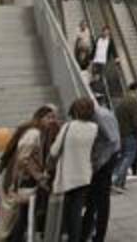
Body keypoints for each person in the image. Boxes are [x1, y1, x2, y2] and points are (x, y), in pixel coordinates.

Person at [0, 105, 57, 241]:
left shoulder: (38, 132)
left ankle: (15, 237)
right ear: (40, 118)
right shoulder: (34, 133)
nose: (52, 121)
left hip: (24, 181)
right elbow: (23, 159)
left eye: (53, 117)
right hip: (24, 182)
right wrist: (38, 176)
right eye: (49, 117)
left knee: (22, 215)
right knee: (21, 216)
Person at [50, 98, 98, 242]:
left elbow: (54, 151)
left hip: (67, 176)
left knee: (65, 210)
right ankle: (75, 238)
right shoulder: (94, 128)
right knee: (76, 211)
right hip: (84, 175)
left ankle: (62, 235)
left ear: (76, 110)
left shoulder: (68, 127)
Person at [80, 101, 120, 241]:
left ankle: (98, 235)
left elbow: (112, 140)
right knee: (93, 198)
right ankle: (86, 231)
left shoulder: (99, 117)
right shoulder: (97, 113)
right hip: (104, 157)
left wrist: (98, 163)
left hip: (107, 159)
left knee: (101, 199)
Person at [112, 83, 137, 191]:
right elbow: (136, 121)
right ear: (136, 90)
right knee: (128, 158)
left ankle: (120, 182)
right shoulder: (133, 102)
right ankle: (116, 181)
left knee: (123, 157)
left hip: (121, 133)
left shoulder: (122, 101)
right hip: (130, 134)